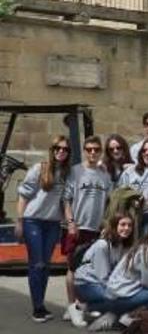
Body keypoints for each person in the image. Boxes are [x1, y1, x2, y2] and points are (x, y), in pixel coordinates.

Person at [17, 135, 71, 322]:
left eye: (65, 149)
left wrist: (69, 221)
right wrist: (19, 221)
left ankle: (40, 304)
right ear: (52, 149)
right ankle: (37, 307)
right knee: (37, 263)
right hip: (33, 221)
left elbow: (65, 201)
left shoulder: (66, 173)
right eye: (58, 148)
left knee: (46, 265)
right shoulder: (39, 169)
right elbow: (23, 196)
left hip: (52, 224)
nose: (61, 152)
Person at [63, 136, 112, 326]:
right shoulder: (75, 172)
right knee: (72, 267)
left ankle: (81, 305)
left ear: (100, 151)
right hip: (78, 227)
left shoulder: (104, 175)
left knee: (89, 268)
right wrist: (71, 222)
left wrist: (106, 224)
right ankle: (71, 307)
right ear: (84, 150)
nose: (92, 152)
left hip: (96, 228)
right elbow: (66, 199)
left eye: (96, 149)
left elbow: (108, 201)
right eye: (89, 149)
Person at [72, 213, 136, 330]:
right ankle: (79, 308)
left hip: (103, 283)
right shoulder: (102, 245)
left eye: (129, 225)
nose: (126, 228)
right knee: (119, 299)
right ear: (114, 226)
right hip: (86, 283)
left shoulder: (123, 246)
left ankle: (110, 314)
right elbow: (103, 277)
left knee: (129, 296)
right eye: (122, 224)